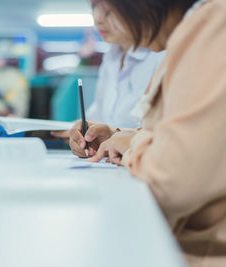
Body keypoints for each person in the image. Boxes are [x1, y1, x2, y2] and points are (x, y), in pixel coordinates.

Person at [70, 0, 226, 265]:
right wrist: (117, 136)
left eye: (108, 8)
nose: (99, 19)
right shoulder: (182, 36)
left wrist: (134, 145)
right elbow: (170, 133)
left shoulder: (211, 26)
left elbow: (172, 178)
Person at [52, 0, 165, 141]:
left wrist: (114, 137)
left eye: (109, 11)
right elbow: (99, 115)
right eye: (94, 8)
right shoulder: (111, 57)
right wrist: (83, 133)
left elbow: (162, 131)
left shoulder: (161, 55)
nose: (98, 19)